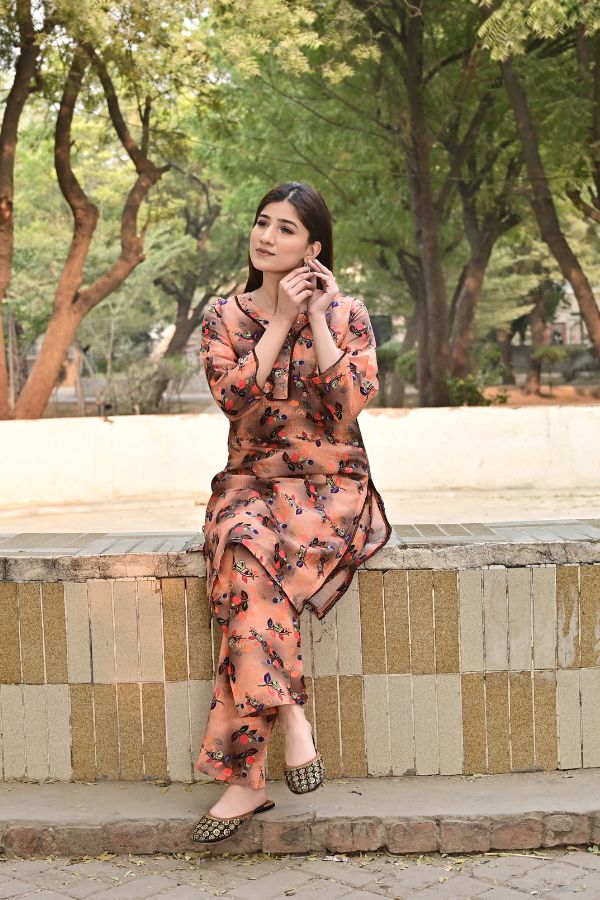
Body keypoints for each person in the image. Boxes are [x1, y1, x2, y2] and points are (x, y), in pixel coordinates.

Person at [188, 181, 392, 844]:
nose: (266, 236)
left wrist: (320, 319)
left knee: (247, 578)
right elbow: (234, 400)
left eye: (285, 228)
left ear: (314, 248)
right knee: (243, 546)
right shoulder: (223, 317)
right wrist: (278, 321)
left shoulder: (349, 313)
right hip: (249, 482)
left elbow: (346, 406)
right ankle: (293, 718)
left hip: (329, 486)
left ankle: (246, 783)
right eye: (262, 222)